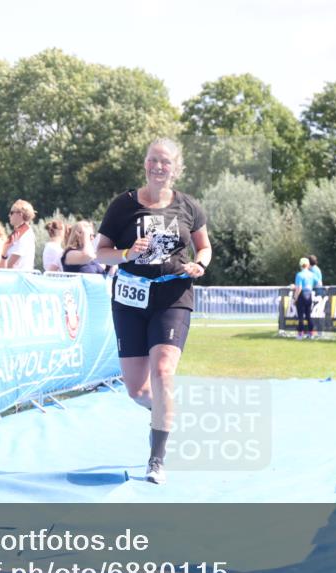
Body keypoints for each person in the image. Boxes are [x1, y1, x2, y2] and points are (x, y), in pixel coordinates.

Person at [95, 138, 212, 485]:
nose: (158, 166)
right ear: (145, 164)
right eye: (153, 160)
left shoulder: (188, 206)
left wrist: (200, 265)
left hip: (172, 296)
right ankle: (165, 410)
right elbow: (100, 253)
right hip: (130, 299)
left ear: (176, 168)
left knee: (163, 373)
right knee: (137, 391)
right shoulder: (123, 205)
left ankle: (156, 458)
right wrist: (127, 254)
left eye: (165, 162)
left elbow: (204, 248)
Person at [2, 199, 37, 270]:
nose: (9, 215)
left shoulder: (24, 234)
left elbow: (11, 264)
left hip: (18, 275)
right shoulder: (21, 232)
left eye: (11, 213)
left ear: (20, 214)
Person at [294, 257, 319, 340]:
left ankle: (300, 335)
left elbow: (299, 288)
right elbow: (318, 283)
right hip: (309, 295)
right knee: (308, 316)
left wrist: (295, 298)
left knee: (300, 316)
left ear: (300, 265)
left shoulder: (299, 275)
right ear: (308, 265)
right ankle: (311, 334)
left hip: (301, 296)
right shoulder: (312, 274)